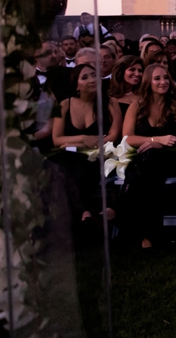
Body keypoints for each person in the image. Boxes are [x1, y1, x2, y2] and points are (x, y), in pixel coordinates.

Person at [119, 64, 176, 249]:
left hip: (172, 158)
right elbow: (127, 138)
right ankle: (149, 235)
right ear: (148, 82)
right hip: (145, 162)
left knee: (148, 161)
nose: (163, 82)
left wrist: (161, 144)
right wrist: (155, 139)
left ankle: (120, 211)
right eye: (157, 78)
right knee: (147, 166)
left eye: (166, 77)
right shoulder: (136, 107)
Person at [50, 64, 123, 227]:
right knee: (66, 162)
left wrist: (77, 142)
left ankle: (84, 214)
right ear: (76, 85)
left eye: (94, 75)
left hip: (101, 156)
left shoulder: (111, 103)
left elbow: (113, 136)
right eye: (85, 77)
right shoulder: (64, 105)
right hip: (72, 157)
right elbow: (57, 139)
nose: (92, 80)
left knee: (77, 165)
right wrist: (84, 138)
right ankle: (87, 213)